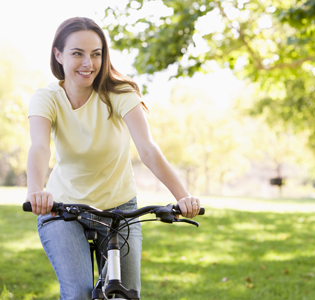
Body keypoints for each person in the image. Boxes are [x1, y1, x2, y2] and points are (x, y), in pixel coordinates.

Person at [25, 17, 201, 300]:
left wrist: (183, 196)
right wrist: (36, 190)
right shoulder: (46, 98)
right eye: (77, 53)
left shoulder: (119, 93)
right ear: (58, 55)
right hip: (63, 209)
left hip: (119, 210)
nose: (88, 63)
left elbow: (148, 149)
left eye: (96, 54)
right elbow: (39, 148)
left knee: (126, 295)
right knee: (79, 293)